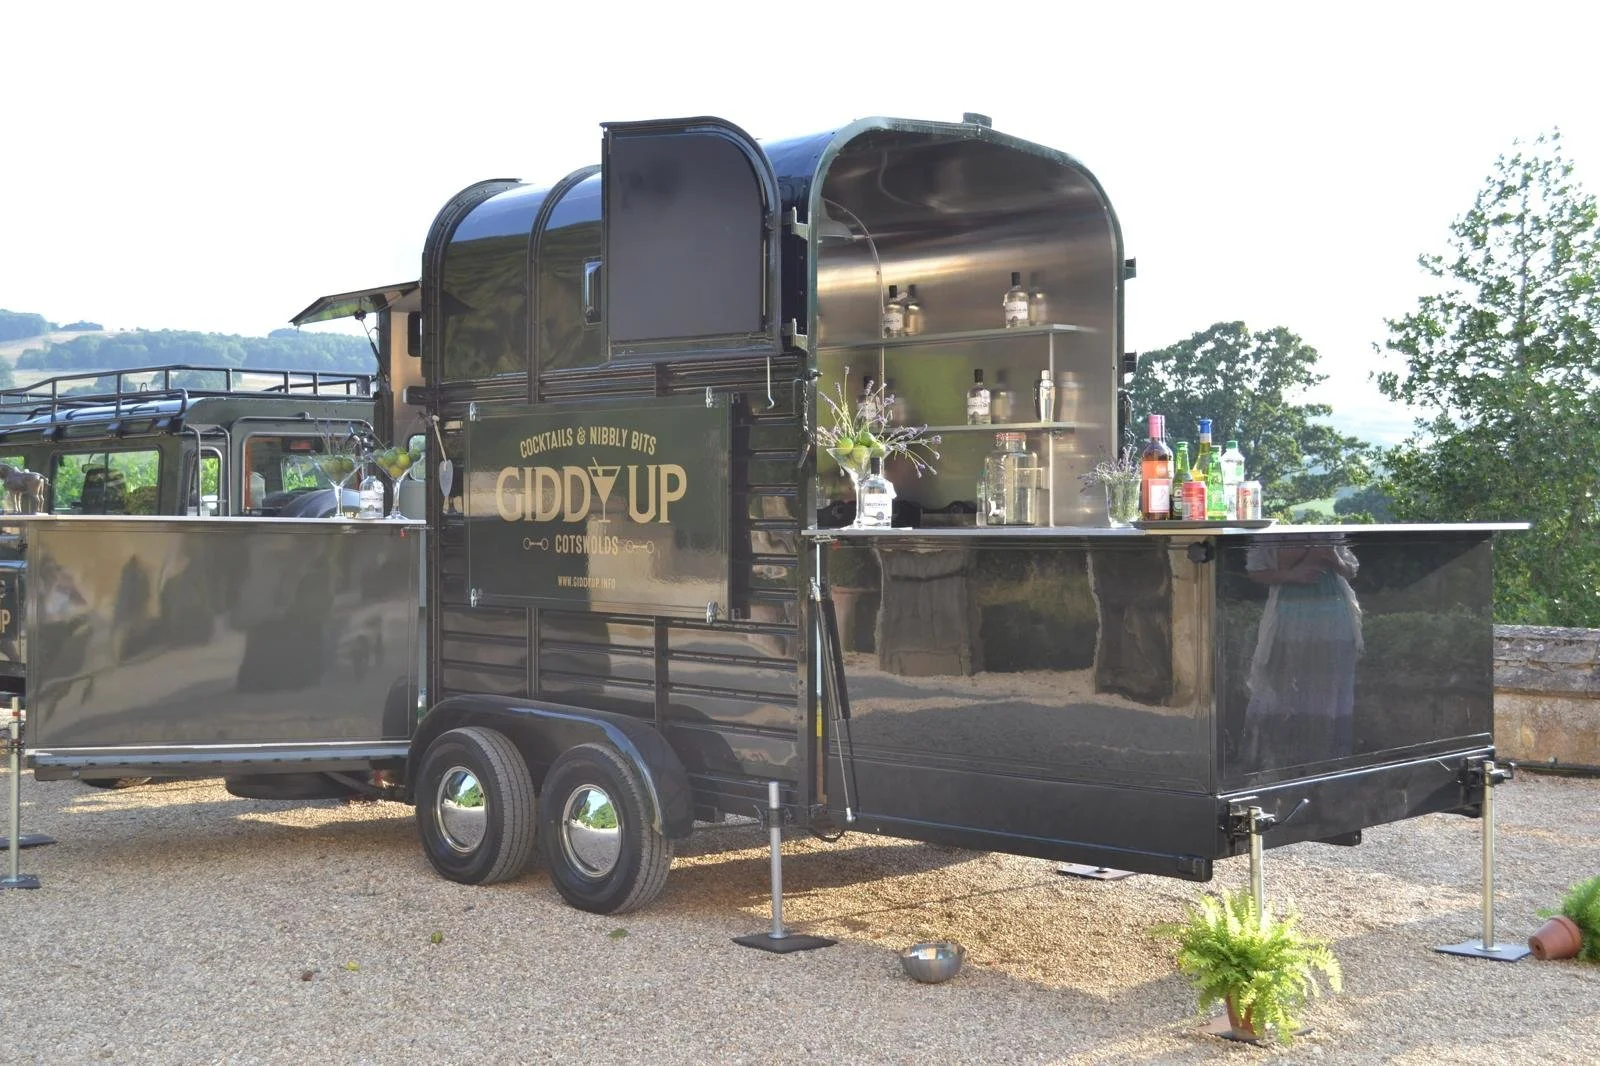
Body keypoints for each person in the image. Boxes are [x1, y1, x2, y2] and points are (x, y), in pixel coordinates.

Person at [1242, 537, 1364, 766]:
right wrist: (1291, 575)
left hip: (1333, 613)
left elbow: (1351, 570)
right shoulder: (1270, 538)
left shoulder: (1327, 533)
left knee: (1327, 685)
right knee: (1286, 681)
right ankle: (1281, 753)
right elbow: (1255, 571)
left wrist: (1335, 559)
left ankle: (1325, 752)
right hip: (1290, 613)